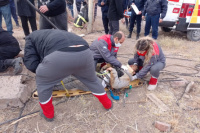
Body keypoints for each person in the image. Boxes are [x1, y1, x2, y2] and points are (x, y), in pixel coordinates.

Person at [24, 29, 112, 122]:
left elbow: (31, 64)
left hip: (60, 56)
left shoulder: (30, 38)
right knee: (92, 81)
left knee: (43, 84)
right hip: (85, 53)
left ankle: (48, 115)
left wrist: (45, 73)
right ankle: (108, 104)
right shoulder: (55, 33)